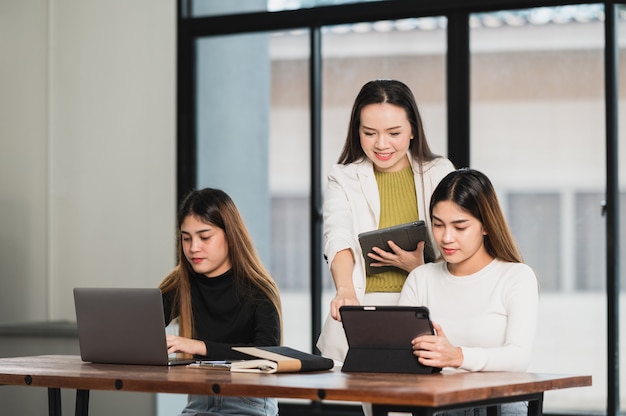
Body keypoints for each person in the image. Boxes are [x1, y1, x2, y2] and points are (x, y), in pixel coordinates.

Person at [316, 79, 455, 362]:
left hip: (426, 308)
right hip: (364, 313)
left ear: (413, 129)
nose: (381, 144)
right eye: (369, 133)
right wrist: (344, 291)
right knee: (377, 403)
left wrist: (418, 267)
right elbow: (337, 235)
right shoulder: (343, 177)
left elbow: (459, 244)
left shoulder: (440, 172)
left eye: (394, 133)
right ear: (357, 132)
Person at [399, 168, 539, 415]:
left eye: (460, 227)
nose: (446, 238)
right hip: (437, 403)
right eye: (438, 225)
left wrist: (457, 357)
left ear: (486, 226)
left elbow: (518, 357)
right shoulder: (420, 278)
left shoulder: (516, 277)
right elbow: (400, 353)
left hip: (498, 403)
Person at [159, 188, 282, 416]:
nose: (193, 247)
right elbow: (141, 332)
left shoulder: (259, 289)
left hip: (249, 404)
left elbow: (268, 354)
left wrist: (199, 346)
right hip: (199, 403)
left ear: (230, 235)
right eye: (186, 238)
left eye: (204, 237)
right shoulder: (181, 285)